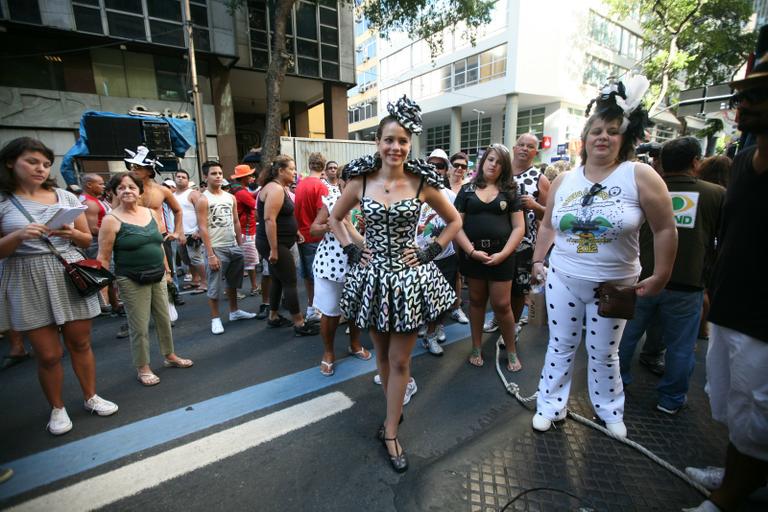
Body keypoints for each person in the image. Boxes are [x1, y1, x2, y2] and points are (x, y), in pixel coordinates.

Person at [529, 76, 677, 439]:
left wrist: (661, 275)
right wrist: (537, 260)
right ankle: (549, 404)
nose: (603, 137)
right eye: (596, 130)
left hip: (615, 284)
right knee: (560, 344)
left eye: (612, 131)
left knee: (604, 352)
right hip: (563, 277)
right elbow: (547, 226)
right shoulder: (564, 179)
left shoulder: (639, 175)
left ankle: (610, 410)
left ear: (624, 137)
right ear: (585, 137)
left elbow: (665, 229)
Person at [329, 96, 461, 472]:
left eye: (402, 141)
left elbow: (454, 222)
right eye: (389, 140)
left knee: (400, 359)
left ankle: (390, 430)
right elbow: (335, 217)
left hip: (406, 279)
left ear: (409, 145)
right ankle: (392, 414)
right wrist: (352, 250)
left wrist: (428, 251)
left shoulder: (421, 182)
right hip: (371, 279)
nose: (396, 147)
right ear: (378, 142)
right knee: (383, 358)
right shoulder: (361, 181)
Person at [684, 27, 768, 511]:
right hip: (730, 307)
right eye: (744, 95)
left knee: (760, 411)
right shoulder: (743, 163)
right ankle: (739, 469)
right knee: (734, 402)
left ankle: (731, 495)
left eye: (758, 96)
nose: (744, 106)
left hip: (765, 319)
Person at [0, 136, 118, 435]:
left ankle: (91, 396)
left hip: (68, 270)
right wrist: (18, 236)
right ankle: (57, 407)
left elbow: (86, 239)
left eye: (45, 164)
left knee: (80, 342)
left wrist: (69, 233)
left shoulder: (65, 197)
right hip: (26, 274)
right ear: (11, 162)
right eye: (32, 161)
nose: (40, 169)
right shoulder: (3, 201)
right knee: (48, 354)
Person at [618, 136, 724, 414]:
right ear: (695, 162)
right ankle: (671, 399)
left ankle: (616, 384)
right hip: (687, 284)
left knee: (626, 336)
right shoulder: (715, 194)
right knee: (680, 346)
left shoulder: (646, 189)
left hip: (642, 277)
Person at [98, 173, 193, 385]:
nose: (127, 191)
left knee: (163, 320)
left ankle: (169, 356)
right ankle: (143, 367)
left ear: (140, 191)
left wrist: (167, 271)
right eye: (121, 188)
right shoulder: (110, 220)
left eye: (131, 187)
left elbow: (158, 244)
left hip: (157, 275)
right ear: (114, 193)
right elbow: (103, 257)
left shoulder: (151, 213)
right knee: (139, 326)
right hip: (130, 279)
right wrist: (104, 290)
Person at [453, 144, 526, 370]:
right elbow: (456, 225)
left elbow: (519, 228)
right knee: (475, 301)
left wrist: (504, 254)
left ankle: (511, 349)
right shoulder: (466, 190)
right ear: (483, 161)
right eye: (491, 159)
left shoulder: (511, 191)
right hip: (473, 255)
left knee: (502, 304)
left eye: (500, 162)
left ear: (504, 167)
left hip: (502, 257)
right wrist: (471, 252)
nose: (494, 165)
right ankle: (476, 346)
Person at [483, 134, 551, 344]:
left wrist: (535, 205)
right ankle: (497, 318)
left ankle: (510, 328)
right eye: (521, 145)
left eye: (530, 146)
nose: (524, 149)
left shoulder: (540, 179)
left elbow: (547, 217)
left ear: (535, 152)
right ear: (513, 148)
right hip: (497, 240)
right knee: (495, 286)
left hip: (524, 244)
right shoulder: (499, 170)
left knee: (518, 288)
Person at [309, 172, 371, 375]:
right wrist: (333, 224)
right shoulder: (332, 200)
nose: (356, 183)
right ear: (343, 182)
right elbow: (313, 229)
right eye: (351, 179)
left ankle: (354, 344)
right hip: (331, 265)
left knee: (355, 308)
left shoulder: (371, 202)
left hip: (360, 264)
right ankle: (328, 353)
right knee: (331, 311)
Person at [255, 156, 319, 336]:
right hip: (275, 244)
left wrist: (295, 232)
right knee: (290, 281)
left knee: (278, 280)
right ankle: (299, 323)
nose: (295, 172)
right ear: (281, 171)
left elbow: (283, 217)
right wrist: (274, 249)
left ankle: (273, 317)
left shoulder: (278, 188)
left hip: (279, 242)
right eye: (291, 168)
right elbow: (269, 219)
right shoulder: (275, 189)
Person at [196, 161, 256, 335]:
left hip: (233, 246)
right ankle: (215, 318)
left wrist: (240, 244)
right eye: (214, 173)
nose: (218, 176)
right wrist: (210, 254)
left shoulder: (230, 197)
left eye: (220, 173)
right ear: (205, 177)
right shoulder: (203, 199)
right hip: (216, 248)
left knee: (233, 282)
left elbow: (236, 222)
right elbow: (203, 228)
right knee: (214, 286)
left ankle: (234, 311)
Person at [417, 148, 460, 355]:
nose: (435, 169)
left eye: (440, 166)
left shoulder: (450, 195)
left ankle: (433, 332)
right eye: (431, 164)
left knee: (442, 300)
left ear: (446, 170)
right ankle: (426, 327)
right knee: (422, 299)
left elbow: (457, 224)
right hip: (418, 257)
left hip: (444, 255)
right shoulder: (413, 191)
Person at [294, 152, 329, 323]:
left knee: (308, 275)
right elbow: (320, 215)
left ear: (309, 165)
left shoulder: (301, 184)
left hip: (302, 235)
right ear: (323, 167)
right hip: (315, 237)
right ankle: (316, 309)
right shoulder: (321, 186)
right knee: (318, 276)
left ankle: (311, 307)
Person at [447, 152, 471, 325]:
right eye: (456, 165)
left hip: (462, 236)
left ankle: (456, 306)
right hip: (440, 236)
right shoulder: (439, 185)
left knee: (457, 272)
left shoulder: (469, 187)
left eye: (463, 166)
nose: (459, 169)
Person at [174, 169, 206, 294]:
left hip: (193, 232)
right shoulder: (172, 195)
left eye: (183, 177)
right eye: (178, 176)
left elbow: (203, 213)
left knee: (196, 258)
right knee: (186, 259)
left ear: (188, 181)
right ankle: (195, 280)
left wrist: (199, 230)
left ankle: (204, 282)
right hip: (179, 233)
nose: (180, 178)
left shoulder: (193, 194)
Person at [231, 164, 260, 296]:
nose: (252, 178)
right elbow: (255, 205)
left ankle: (232, 290)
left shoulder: (236, 190)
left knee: (241, 261)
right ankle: (254, 287)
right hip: (246, 232)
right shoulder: (242, 192)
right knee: (250, 262)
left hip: (241, 231)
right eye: (249, 175)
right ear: (244, 178)